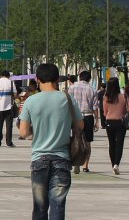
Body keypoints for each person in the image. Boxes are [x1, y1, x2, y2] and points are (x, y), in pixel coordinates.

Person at [19, 63, 83, 220]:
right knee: (58, 206)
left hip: (39, 160)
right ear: (57, 79)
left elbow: (23, 132)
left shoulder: (30, 101)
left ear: (37, 79)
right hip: (62, 160)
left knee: (40, 208)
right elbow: (80, 125)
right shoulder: (68, 99)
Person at [68, 70, 99, 173]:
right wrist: (97, 120)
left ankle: (75, 162)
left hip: (75, 117)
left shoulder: (72, 88)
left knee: (75, 140)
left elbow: (68, 103)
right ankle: (85, 165)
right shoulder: (92, 89)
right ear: (89, 79)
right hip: (88, 116)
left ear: (79, 77)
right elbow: (95, 107)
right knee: (87, 142)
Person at [103, 77, 129, 175]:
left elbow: (104, 113)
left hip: (109, 123)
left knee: (112, 145)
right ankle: (116, 165)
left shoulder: (106, 97)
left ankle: (112, 165)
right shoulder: (123, 96)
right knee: (119, 145)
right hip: (120, 123)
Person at [0, 70, 17, 147]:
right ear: (8, 76)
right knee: (9, 126)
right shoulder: (11, 83)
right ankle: (9, 142)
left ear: (1, 75)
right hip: (9, 107)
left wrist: (0, 97)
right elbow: (15, 95)